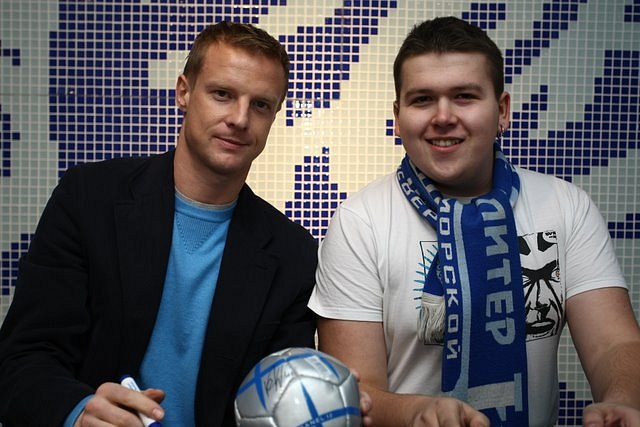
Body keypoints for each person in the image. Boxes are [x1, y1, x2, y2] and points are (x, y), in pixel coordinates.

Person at [308, 16, 640, 427]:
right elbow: (355, 392)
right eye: (422, 99)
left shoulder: (566, 206)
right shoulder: (360, 222)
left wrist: (622, 399)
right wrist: (417, 412)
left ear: (502, 110)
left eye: (464, 96)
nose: (443, 116)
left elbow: (613, 343)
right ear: (398, 116)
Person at [0, 21, 319, 426]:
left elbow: (279, 401)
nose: (240, 119)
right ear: (183, 92)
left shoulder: (293, 253)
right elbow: (22, 359)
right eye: (222, 94)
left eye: (260, 105)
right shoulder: (88, 199)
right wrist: (77, 413)